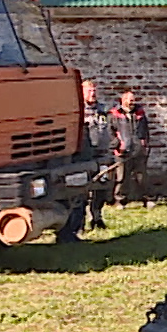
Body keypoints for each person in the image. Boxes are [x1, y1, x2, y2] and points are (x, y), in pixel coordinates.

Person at [56, 79, 116, 242]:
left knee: (102, 188)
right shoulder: (77, 110)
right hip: (83, 156)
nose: (93, 93)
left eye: (94, 90)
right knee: (80, 192)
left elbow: (109, 127)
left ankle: (97, 217)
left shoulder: (102, 109)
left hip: (101, 153)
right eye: (89, 91)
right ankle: (76, 227)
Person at [110, 88, 152, 208]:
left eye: (134, 100)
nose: (132, 102)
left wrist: (145, 144)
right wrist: (117, 146)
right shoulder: (114, 114)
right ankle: (120, 200)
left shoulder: (140, 113)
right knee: (122, 177)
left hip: (138, 150)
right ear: (123, 101)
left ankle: (146, 199)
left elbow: (145, 130)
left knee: (142, 177)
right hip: (122, 151)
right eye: (130, 100)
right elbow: (111, 132)